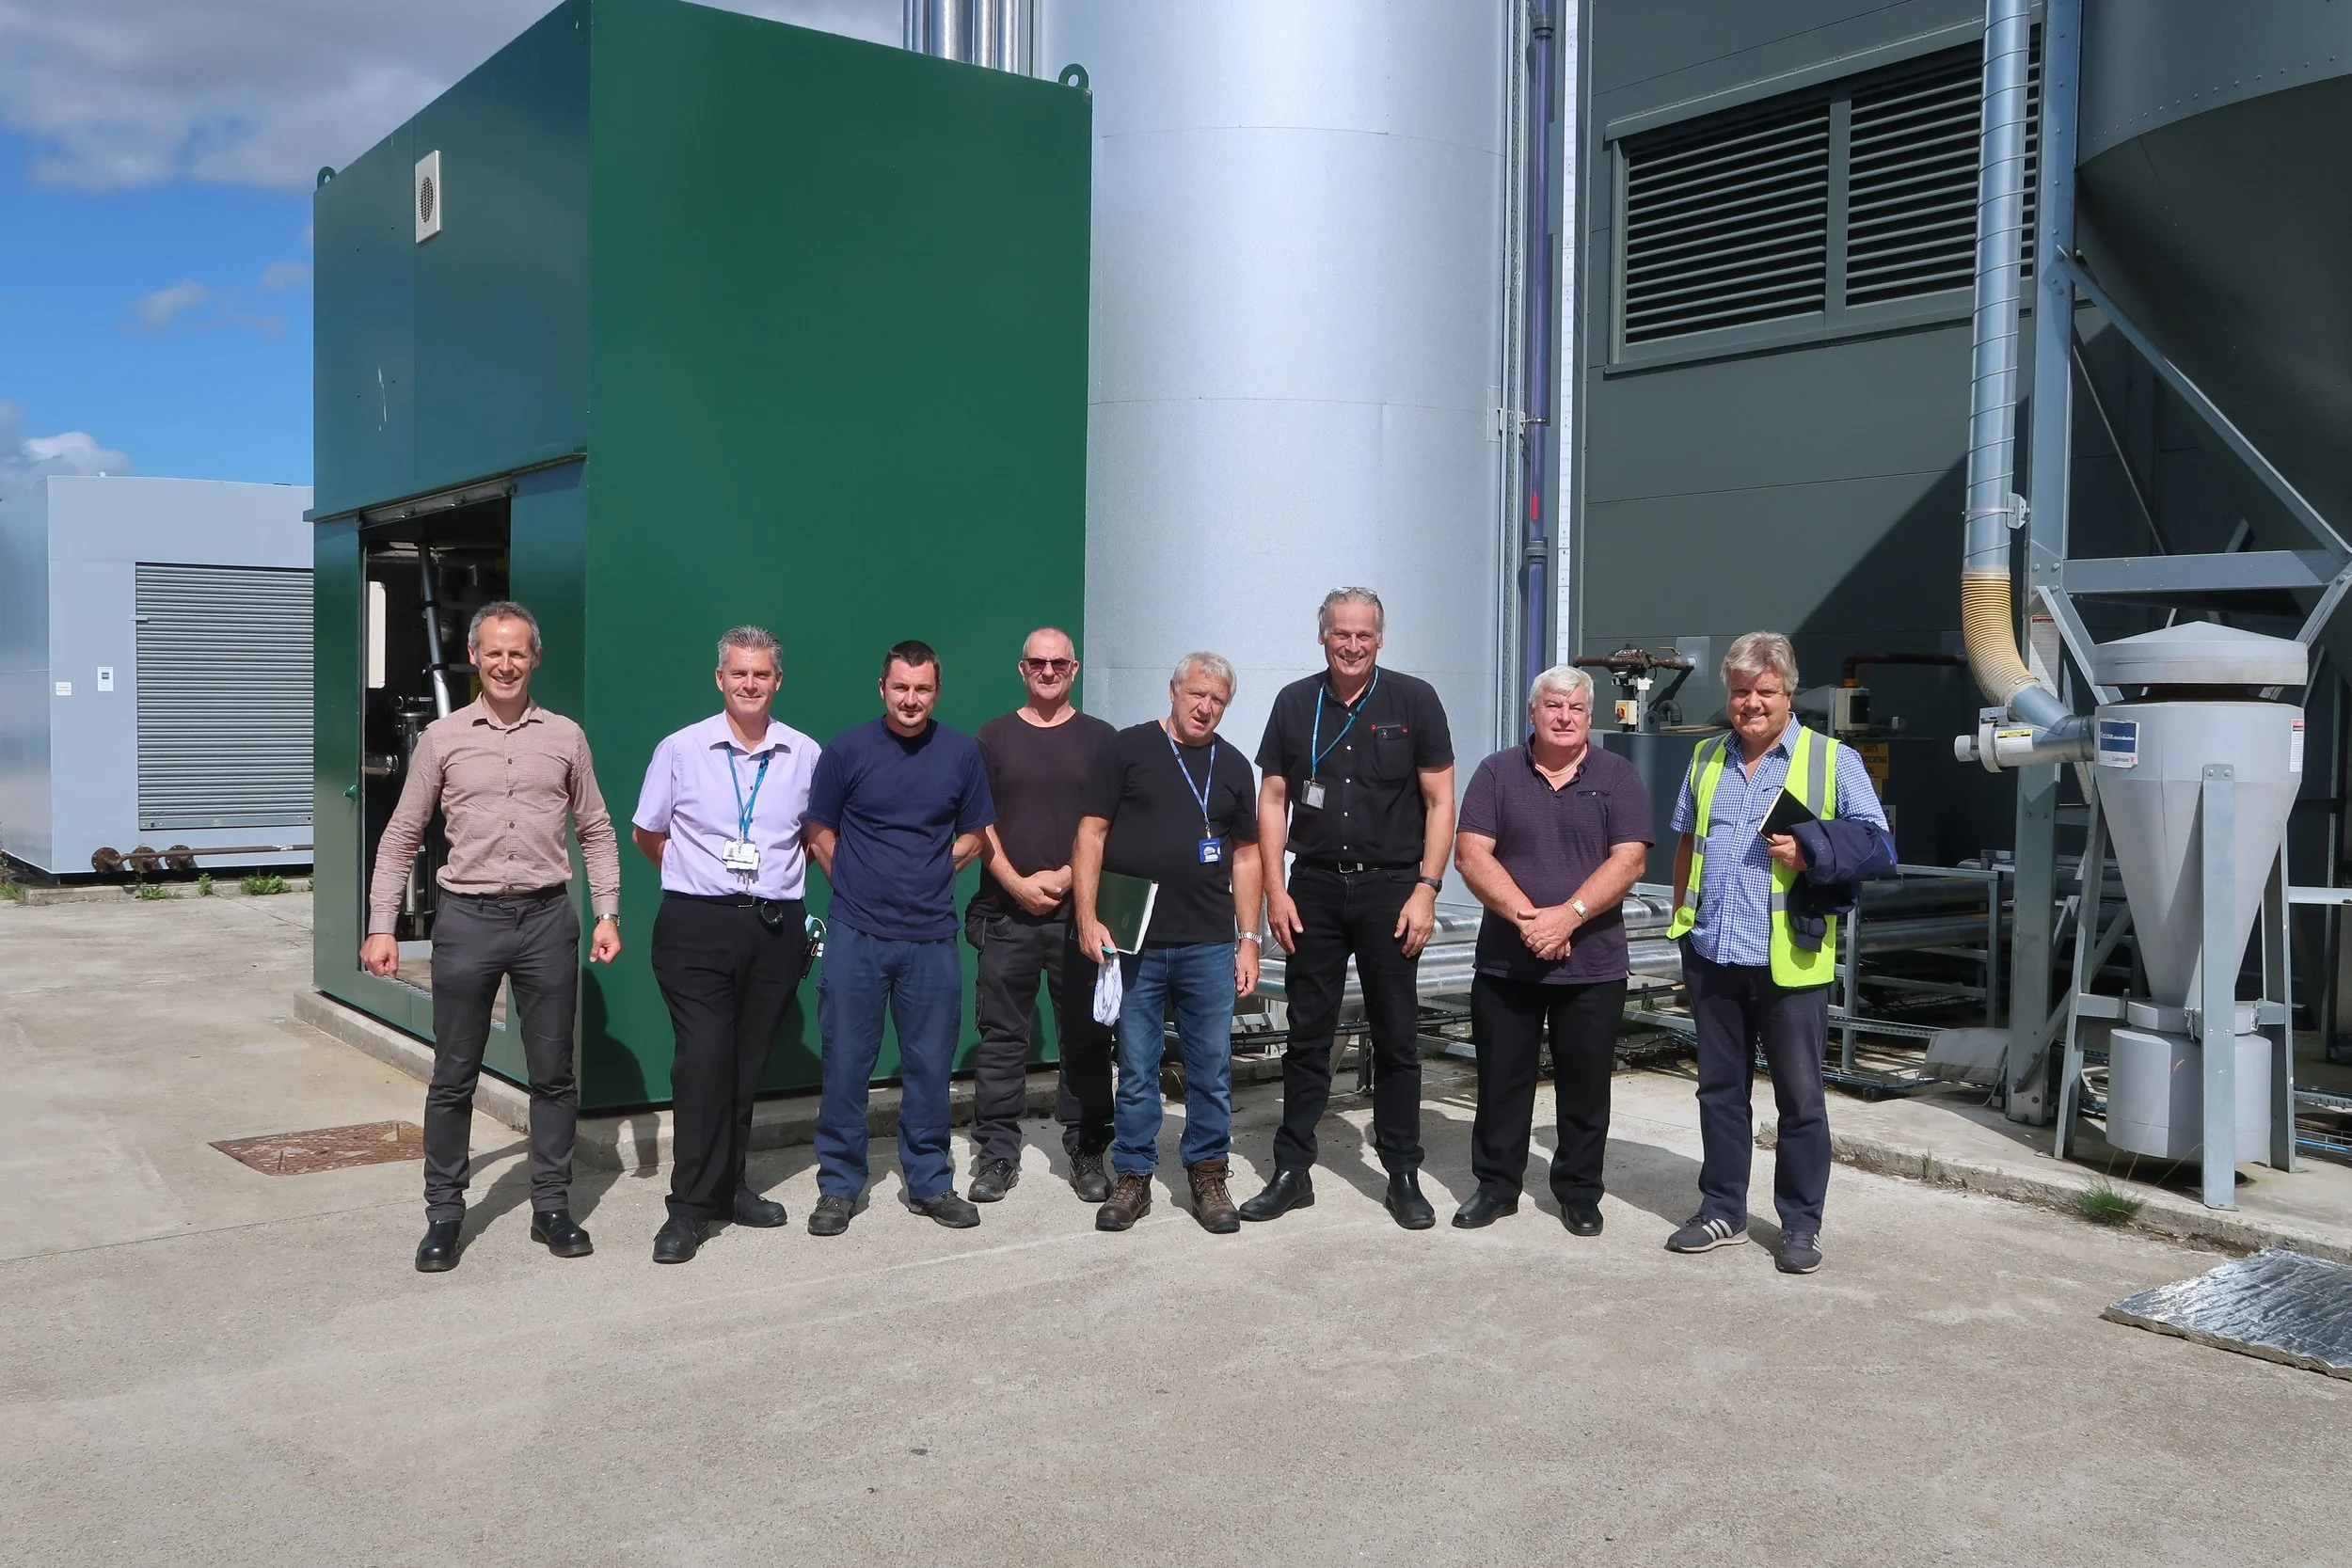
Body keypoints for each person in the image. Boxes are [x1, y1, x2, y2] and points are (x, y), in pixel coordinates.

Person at [360, 600, 621, 1274]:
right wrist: (382, 926)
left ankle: (552, 1207)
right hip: (467, 920)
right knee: (453, 1075)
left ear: (536, 658)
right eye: (494, 652)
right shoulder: (443, 739)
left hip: (545, 920)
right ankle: (444, 1214)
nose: (506, 663)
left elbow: (595, 829)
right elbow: (399, 838)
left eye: (518, 652)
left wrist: (608, 912)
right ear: (475, 657)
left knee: (554, 1075)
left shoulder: (566, 737)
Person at [1663, 631, 1890, 1275]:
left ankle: (1799, 1224)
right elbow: (1687, 842)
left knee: (1800, 1099)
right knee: (1718, 1092)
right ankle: (1722, 1208)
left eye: (1765, 691)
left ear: (1788, 693)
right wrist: (1684, 923)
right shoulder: (1707, 757)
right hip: (1713, 952)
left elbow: (1878, 845)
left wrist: (1812, 851)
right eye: (1740, 692)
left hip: (1790, 957)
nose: (1751, 704)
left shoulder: (1831, 759)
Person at [1240, 587, 1456, 1230]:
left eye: (1364, 635)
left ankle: (1403, 1173)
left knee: (1397, 1036)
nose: (1353, 645)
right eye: (1341, 634)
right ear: (1323, 636)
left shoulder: (1414, 701)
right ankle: (1292, 1169)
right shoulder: (1293, 703)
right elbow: (1272, 797)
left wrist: (1427, 887)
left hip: (1393, 888)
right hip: (1314, 888)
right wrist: (1276, 890)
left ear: (1380, 638)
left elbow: (1442, 800)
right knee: (1308, 1033)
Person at [630, 626, 823, 1264]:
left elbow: (814, 837)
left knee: (745, 1064)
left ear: (777, 681)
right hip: (697, 926)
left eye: (761, 674)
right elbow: (648, 833)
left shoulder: (804, 754)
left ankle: (730, 1186)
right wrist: (701, 879)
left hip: (774, 927)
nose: (749, 683)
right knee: (704, 1059)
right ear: (720, 678)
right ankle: (687, 1207)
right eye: (738, 673)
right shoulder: (682, 749)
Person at [1451, 665, 1651, 1233]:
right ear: (1533, 713)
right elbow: (1471, 854)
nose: (1565, 718)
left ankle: (1579, 1191)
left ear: (1590, 717)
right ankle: (1496, 1186)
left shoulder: (1617, 776)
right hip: (1507, 961)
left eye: (1577, 709)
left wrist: (1569, 917)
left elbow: (1630, 859)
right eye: (1554, 707)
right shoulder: (1496, 774)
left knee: (1586, 1086)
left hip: (1593, 963)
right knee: (1500, 1081)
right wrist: (1531, 920)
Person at [805, 641, 996, 1235]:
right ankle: (838, 1186)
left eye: (922, 690)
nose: (910, 700)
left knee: (929, 1066)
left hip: (931, 938)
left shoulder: (961, 753)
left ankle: (930, 1183)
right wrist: (859, 884)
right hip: (855, 935)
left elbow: (975, 835)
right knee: (845, 1065)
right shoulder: (847, 749)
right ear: (882, 688)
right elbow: (818, 830)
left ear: (936, 693)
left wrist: (935, 872)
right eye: (900, 688)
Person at [1073, 652, 1263, 1234]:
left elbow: (1249, 855)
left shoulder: (1232, 765)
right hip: (1135, 943)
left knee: (1210, 1066)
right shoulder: (1127, 749)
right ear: (1174, 691)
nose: (1205, 708)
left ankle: (1207, 1173)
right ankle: (1133, 1176)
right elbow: (1091, 834)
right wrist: (1086, 916)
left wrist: (1249, 939)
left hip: (1208, 943)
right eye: (1196, 695)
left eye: (1217, 701)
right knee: (1135, 1067)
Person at [966, 628, 1120, 1204]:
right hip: (1008, 915)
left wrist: (1061, 879)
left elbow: (1109, 825)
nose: (1049, 671)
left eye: (1059, 663)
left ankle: (1086, 1149)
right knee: (1003, 1039)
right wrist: (1013, 882)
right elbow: (978, 822)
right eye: (1038, 663)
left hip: (1079, 916)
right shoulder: (993, 737)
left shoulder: (1102, 740)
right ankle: (997, 1154)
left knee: (1085, 1037)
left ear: (1074, 669)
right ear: (1022, 669)